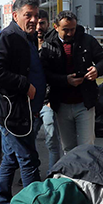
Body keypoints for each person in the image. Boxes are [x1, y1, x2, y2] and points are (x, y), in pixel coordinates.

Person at [0, 0, 46, 204]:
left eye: (36, 16)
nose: (33, 20)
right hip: (12, 114)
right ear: (15, 15)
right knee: (29, 159)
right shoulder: (8, 37)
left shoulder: (27, 37)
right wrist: (24, 85)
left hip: (23, 111)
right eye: (28, 15)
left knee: (10, 158)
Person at [40, 11, 103, 153]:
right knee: (68, 147)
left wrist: (97, 70)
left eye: (73, 29)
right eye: (65, 30)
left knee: (87, 146)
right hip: (61, 103)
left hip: (85, 103)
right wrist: (65, 80)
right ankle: (73, 174)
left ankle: (88, 174)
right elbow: (44, 73)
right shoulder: (47, 46)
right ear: (56, 27)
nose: (70, 33)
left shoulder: (87, 40)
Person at [34, 9, 63, 172]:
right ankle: (30, 171)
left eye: (42, 23)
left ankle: (53, 174)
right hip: (32, 102)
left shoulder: (53, 45)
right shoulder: (28, 43)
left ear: (48, 24)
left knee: (52, 141)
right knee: (28, 141)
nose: (39, 26)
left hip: (48, 103)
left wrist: (52, 99)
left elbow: (56, 74)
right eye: (37, 23)